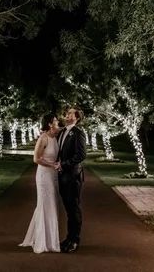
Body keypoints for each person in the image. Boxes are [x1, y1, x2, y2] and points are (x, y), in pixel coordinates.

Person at [19, 113, 62, 253]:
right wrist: (52, 165)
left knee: (52, 205)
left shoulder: (55, 137)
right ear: (50, 123)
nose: (58, 122)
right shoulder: (43, 138)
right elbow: (36, 159)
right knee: (45, 205)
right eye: (55, 120)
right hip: (44, 176)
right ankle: (43, 241)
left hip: (53, 174)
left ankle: (50, 239)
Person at [56, 107, 86, 253]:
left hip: (73, 176)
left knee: (74, 208)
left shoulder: (78, 133)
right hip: (62, 177)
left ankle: (75, 240)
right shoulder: (62, 132)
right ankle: (69, 238)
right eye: (66, 113)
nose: (67, 115)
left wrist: (64, 164)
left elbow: (81, 155)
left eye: (70, 113)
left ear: (76, 118)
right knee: (68, 209)